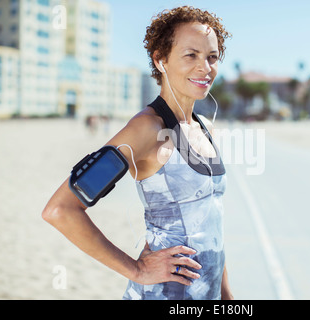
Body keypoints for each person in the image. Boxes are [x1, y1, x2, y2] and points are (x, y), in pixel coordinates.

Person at [42, 6, 233, 300]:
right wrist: (137, 270)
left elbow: (211, 227)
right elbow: (60, 210)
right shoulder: (146, 129)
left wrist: (228, 297)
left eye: (212, 57)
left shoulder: (206, 127)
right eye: (190, 55)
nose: (205, 68)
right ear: (161, 60)